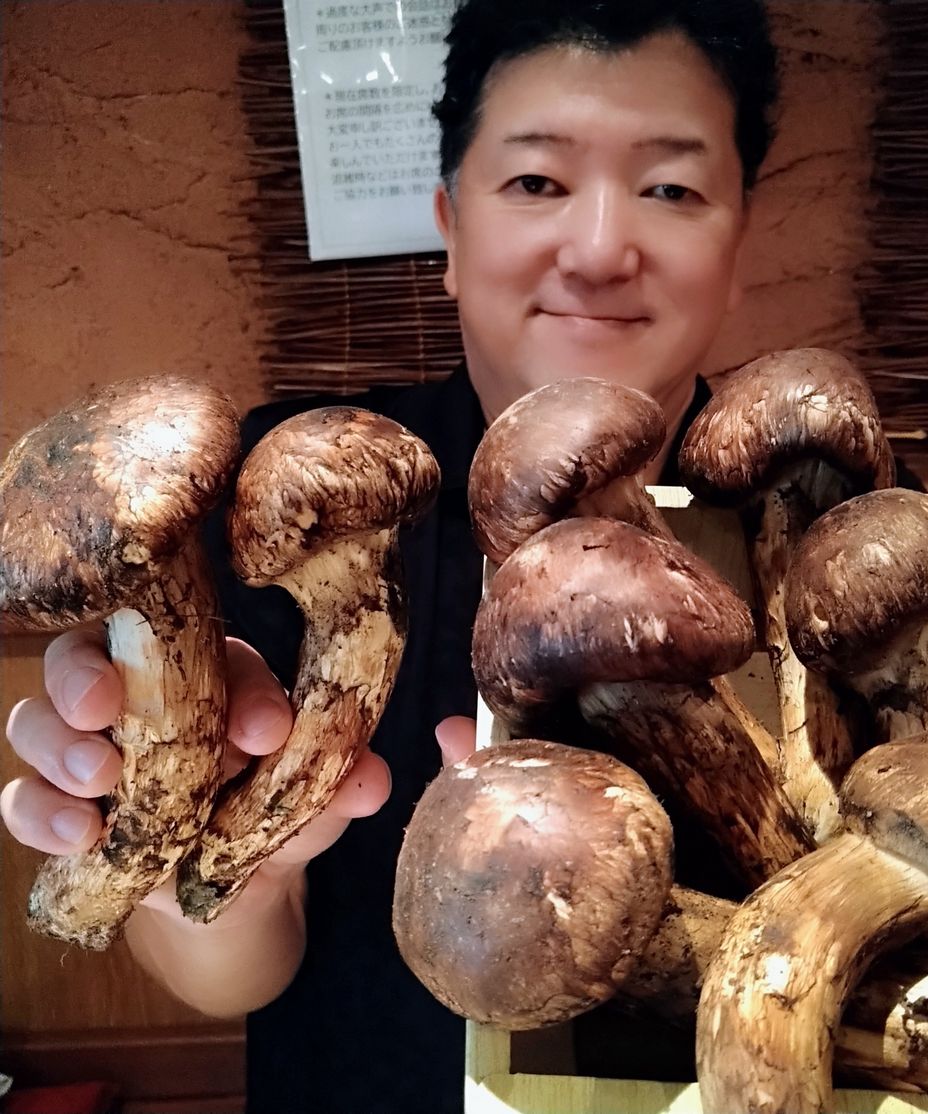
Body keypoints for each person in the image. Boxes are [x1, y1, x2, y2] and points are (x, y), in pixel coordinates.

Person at [1, 0, 777, 1109]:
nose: (601, 249)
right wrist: (197, 879)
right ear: (450, 230)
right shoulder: (289, 492)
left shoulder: (816, 508)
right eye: (536, 181)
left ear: (739, 242)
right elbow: (225, 975)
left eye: (671, 189)